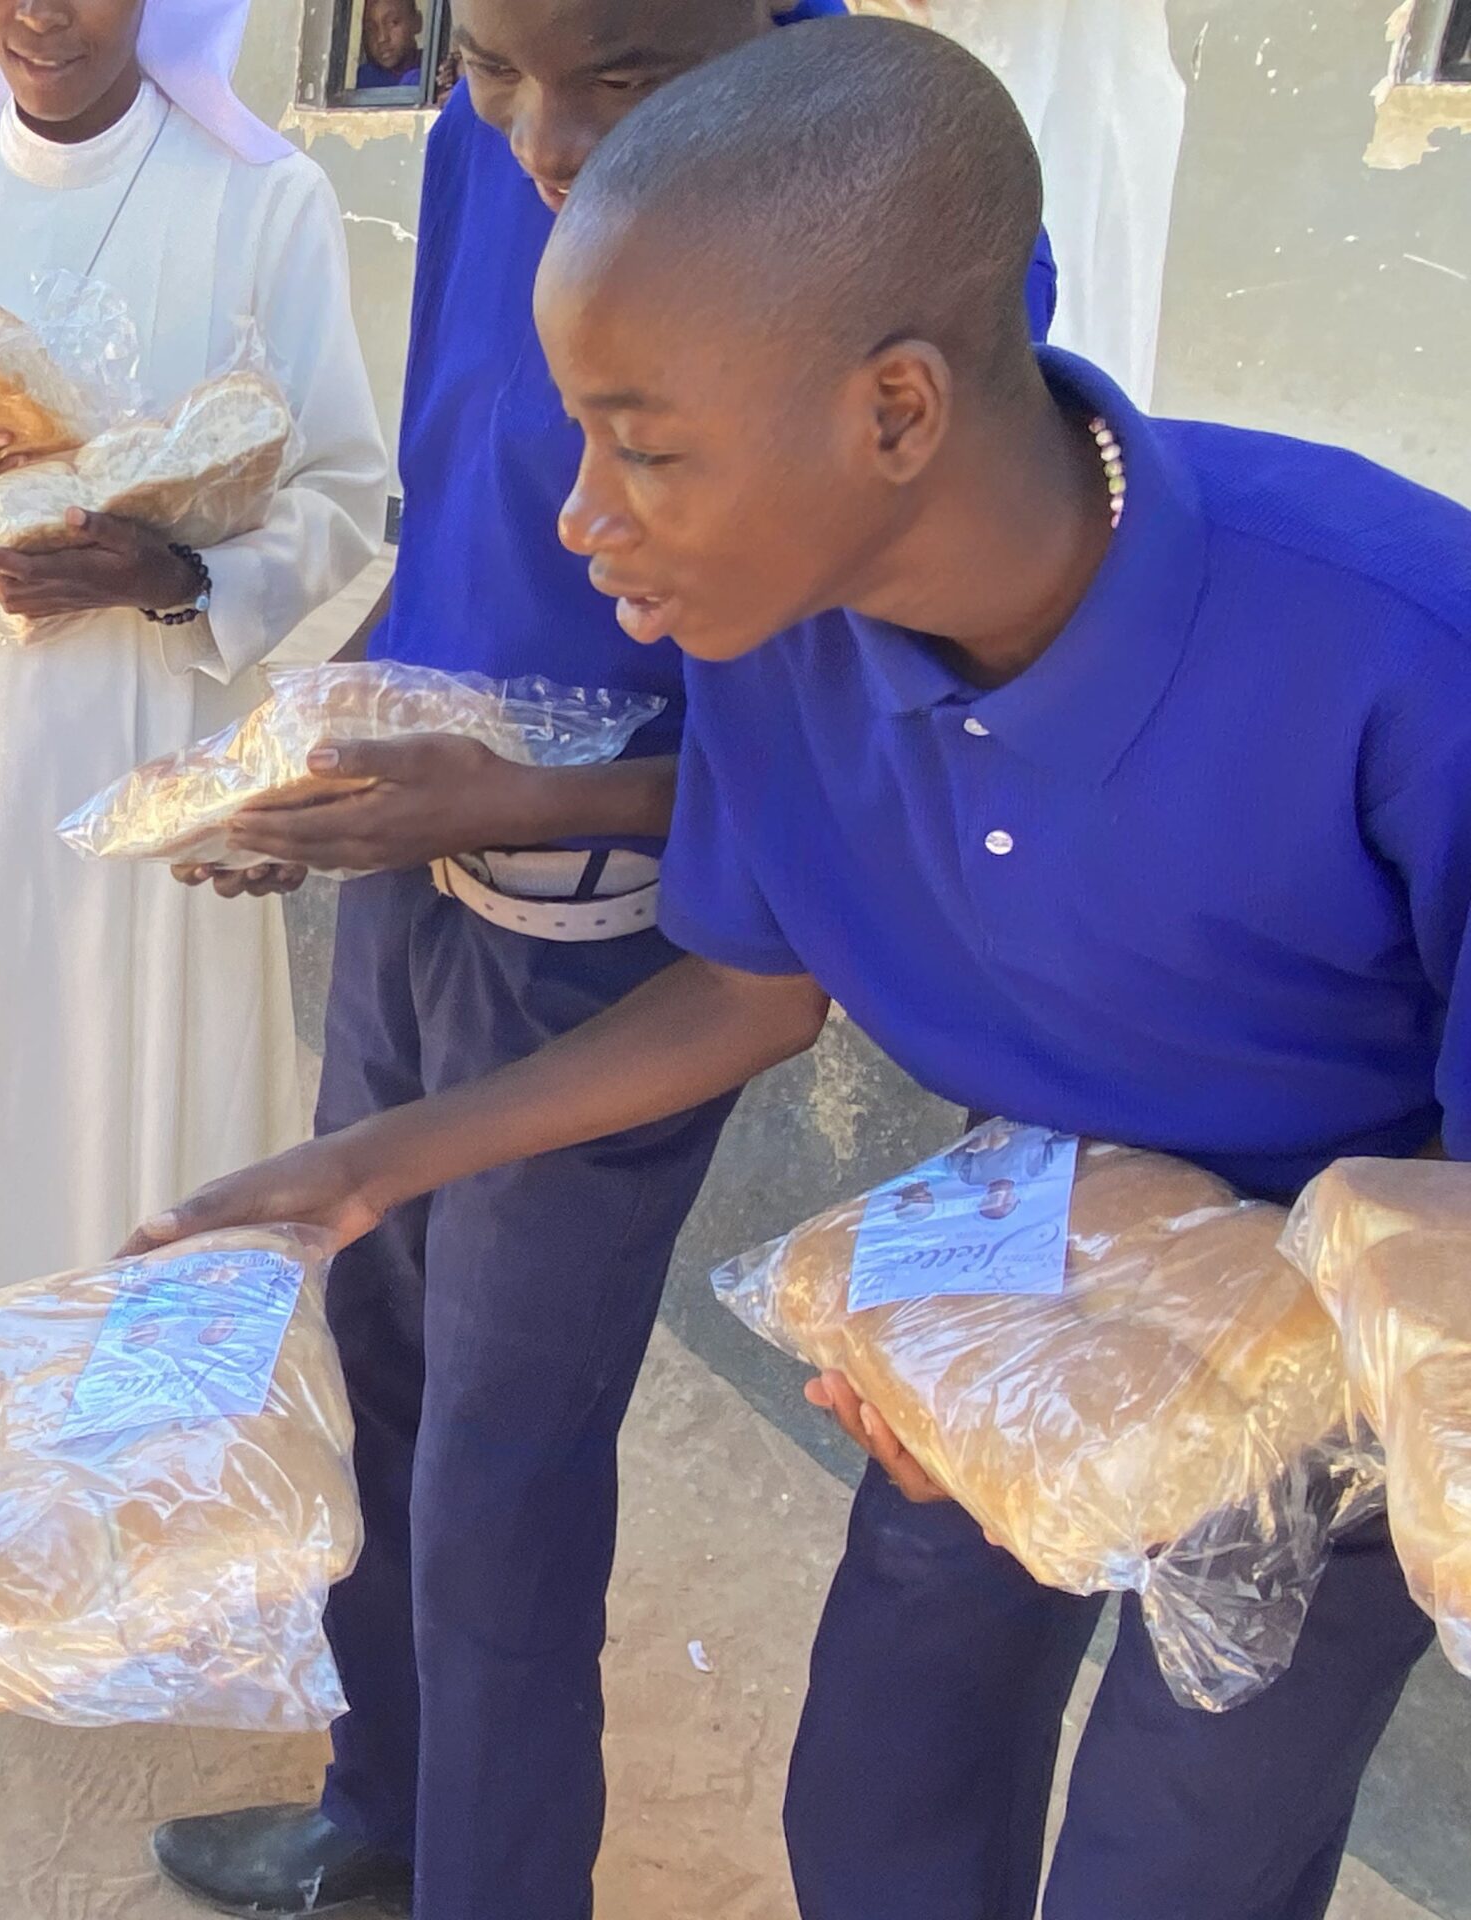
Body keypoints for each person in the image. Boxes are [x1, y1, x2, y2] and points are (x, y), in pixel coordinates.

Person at [140, 20, 1469, 1920]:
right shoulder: (778, 632)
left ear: (899, 415)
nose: (583, 516)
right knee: (882, 1788)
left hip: (1361, 1305)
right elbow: (754, 983)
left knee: (1179, 1845)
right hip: (1034, 1252)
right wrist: (372, 1166)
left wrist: (1245, 1360)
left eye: (645, 448)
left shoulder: (1400, 652)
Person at [150, 5, 1049, 1916]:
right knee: (380, 1358)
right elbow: (463, 486)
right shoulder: (517, 110)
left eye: (619, 85)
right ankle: (377, 1821)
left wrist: (506, 799)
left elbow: (838, 713)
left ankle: (490, 1880)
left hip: (622, 938)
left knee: (498, 1464)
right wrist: (337, 734)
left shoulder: (873, 200)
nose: (544, 141)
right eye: (482, 63)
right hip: (426, 859)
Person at [0, 0, 385, 1347]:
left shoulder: (264, 203)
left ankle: (128, 1460)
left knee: (129, 1116)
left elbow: (346, 485)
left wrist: (165, 574)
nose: (43, 15)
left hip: (144, 730)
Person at [353, 0, 422, 90]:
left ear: (417, 22)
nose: (382, 38)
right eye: (370, 29)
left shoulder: (435, 67)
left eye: (393, 23)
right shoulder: (365, 81)